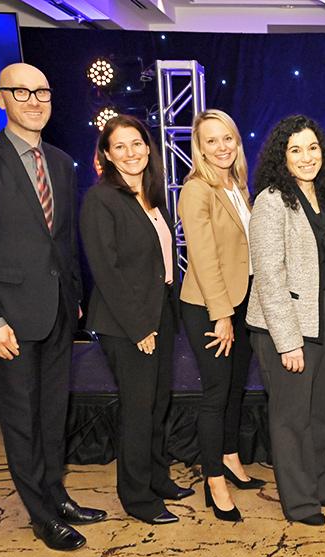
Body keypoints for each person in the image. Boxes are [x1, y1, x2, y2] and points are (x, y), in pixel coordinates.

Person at [0, 63, 106, 551]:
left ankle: (57, 495)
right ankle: (41, 515)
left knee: (52, 413)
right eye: (23, 91)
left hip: (59, 311)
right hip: (9, 318)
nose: (35, 100)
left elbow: (62, 242)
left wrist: (75, 299)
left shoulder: (60, 161)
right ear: (1, 99)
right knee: (21, 417)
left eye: (43, 90)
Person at [80, 115, 194, 525]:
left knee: (158, 403)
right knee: (138, 409)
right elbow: (106, 271)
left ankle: (157, 478)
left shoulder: (150, 194)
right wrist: (138, 327)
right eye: (120, 147)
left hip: (160, 310)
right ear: (107, 155)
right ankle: (137, 498)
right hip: (125, 321)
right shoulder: (101, 200)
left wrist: (160, 316)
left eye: (137, 144)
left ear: (148, 147)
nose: (131, 153)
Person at [246, 115, 325, 526]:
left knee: (320, 412)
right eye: (296, 150)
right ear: (281, 157)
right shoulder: (271, 199)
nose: (307, 157)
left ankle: (319, 486)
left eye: (313, 148)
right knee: (291, 418)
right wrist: (287, 341)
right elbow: (269, 275)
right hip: (284, 325)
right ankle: (300, 502)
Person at [179, 109, 263, 521]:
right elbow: (205, 257)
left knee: (234, 389)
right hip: (210, 307)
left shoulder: (236, 184)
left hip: (241, 301)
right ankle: (213, 482)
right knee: (215, 394)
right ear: (200, 147)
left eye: (227, 138)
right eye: (211, 140)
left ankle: (230, 458)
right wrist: (222, 315)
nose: (221, 147)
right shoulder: (197, 189)